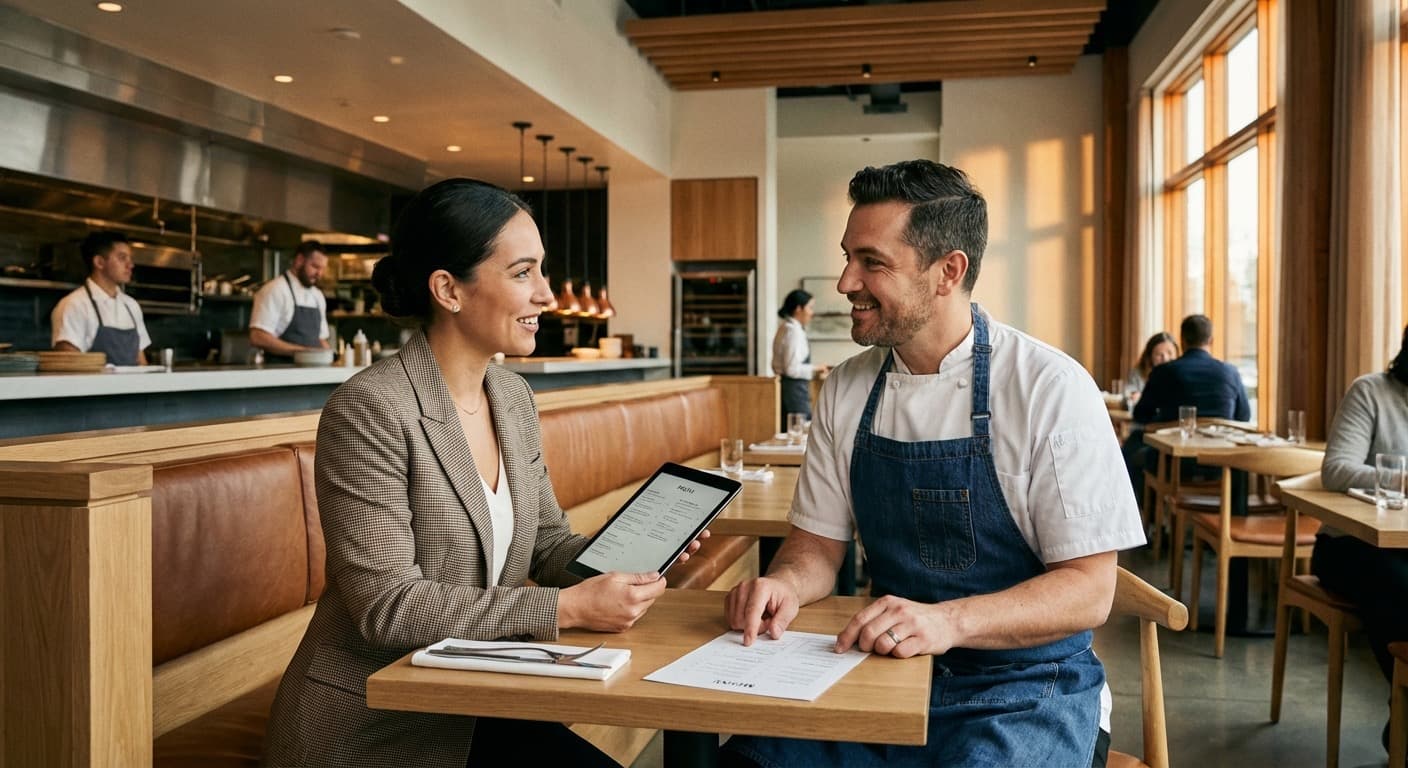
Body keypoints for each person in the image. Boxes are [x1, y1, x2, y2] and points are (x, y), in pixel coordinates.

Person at [263, 179, 703, 768]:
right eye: (523, 273)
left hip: (476, 697)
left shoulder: (512, 396)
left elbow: (547, 542)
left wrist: (634, 553)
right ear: (448, 289)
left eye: (542, 271)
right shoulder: (371, 409)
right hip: (376, 723)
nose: (546, 294)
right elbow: (387, 607)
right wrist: (565, 609)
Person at [720, 160, 1145, 767]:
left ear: (948, 271)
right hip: (885, 669)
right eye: (848, 257)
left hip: (1027, 687)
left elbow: (1089, 591)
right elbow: (815, 550)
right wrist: (783, 585)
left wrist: (948, 622)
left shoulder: (1048, 387)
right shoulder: (847, 388)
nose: (845, 282)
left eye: (873, 262)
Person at [1314, 324, 1408, 761]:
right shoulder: (1371, 392)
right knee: (1395, 583)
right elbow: (1336, 469)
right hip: (1348, 545)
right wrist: (1400, 478)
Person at [50, 230, 151, 365]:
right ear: (99, 262)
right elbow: (68, 367)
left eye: (130, 259)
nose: (130, 265)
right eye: (122, 258)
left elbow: (141, 361)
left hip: (133, 386)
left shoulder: (131, 306)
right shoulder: (74, 305)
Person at [1130, 314, 1250, 425]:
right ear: (1211, 341)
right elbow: (1244, 416)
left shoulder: (1162, 372)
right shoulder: (1231, 373)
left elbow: (1141, 415)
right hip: (1219, 446)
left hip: (1172, 446)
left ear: (1182, 341)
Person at [249, 240, 331, 360]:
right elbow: (257, 337)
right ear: (299, 260)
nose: (319, 273)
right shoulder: (274, 290)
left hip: (314, 372)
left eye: (322, 269)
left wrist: (330, 356)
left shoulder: (317, 296)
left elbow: (320, 339)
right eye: (315, 267)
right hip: (281, 372)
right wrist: (303, 352)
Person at [771, 289, 829, 429]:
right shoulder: (793, 332)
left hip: (788, 389)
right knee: (799, 432)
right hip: (794, 391)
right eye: (810, 307)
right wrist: (817, 368)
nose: (811, 312)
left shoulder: (785, 327)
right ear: (798, 308)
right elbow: (792, 369)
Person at [1125, 331, 1179, 404]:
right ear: (1150, 357)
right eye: (1159, 354)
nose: (1165, 358)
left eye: (1170, 353)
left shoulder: (1182, 373)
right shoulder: (1139, 372)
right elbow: (1129, 394)